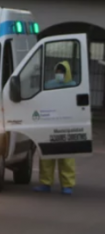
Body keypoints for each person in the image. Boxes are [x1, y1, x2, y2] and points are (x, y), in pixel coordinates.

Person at [34, 61, 78, 195]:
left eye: (62, 71)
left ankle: (67, 185)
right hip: (51, 124)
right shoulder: (49, 85)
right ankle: (45, 183)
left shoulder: (74, 87)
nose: (59, 74)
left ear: (67, 73)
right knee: (47, 155)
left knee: (67, 158)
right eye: (58, 71)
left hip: (66, 126)